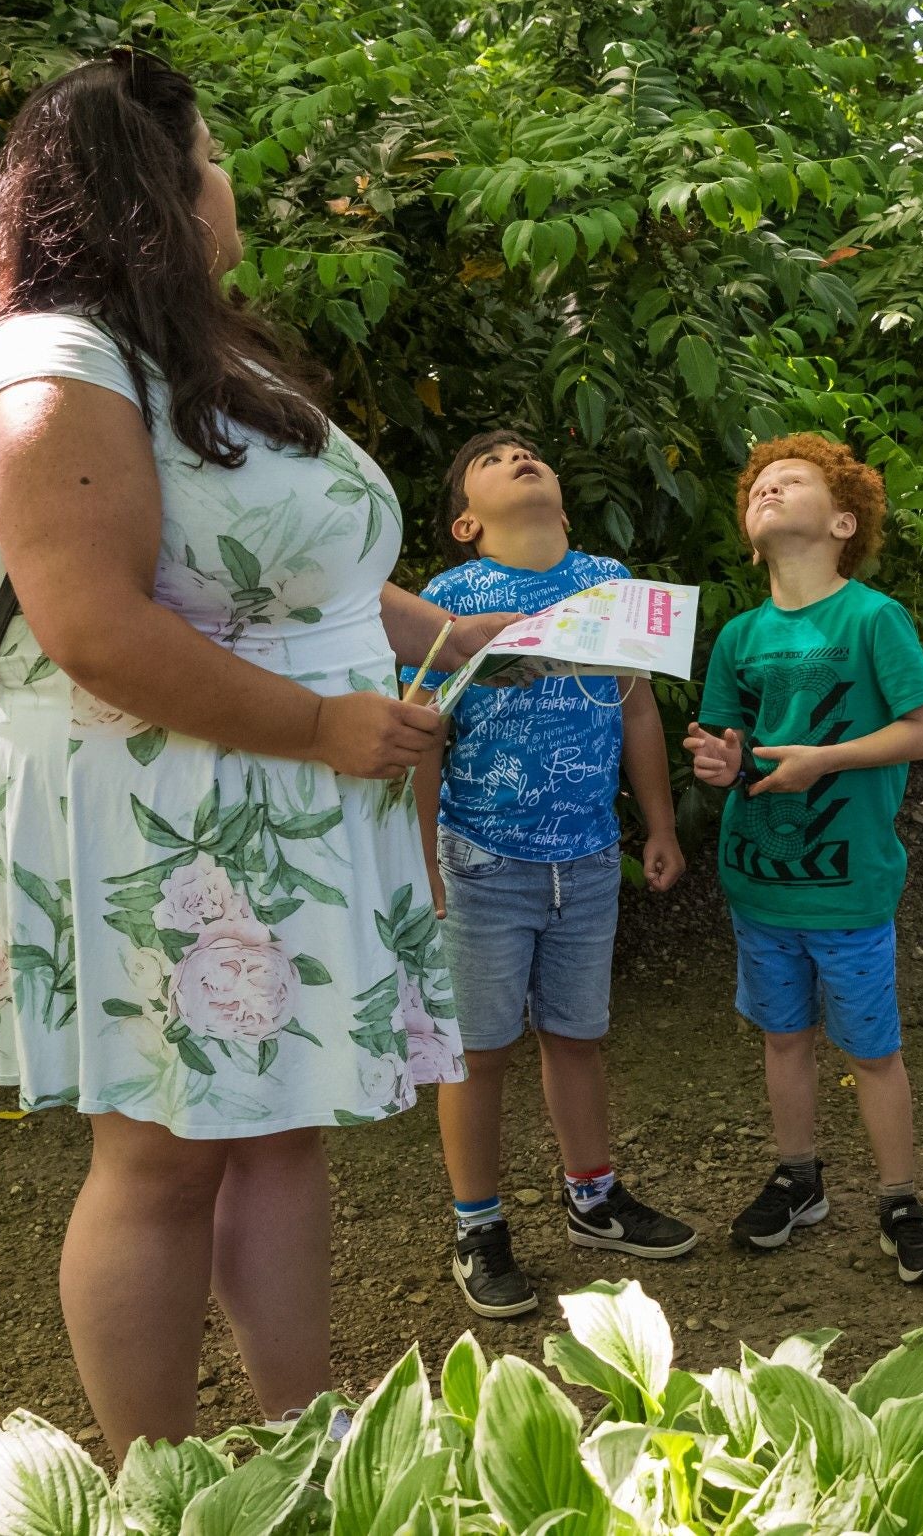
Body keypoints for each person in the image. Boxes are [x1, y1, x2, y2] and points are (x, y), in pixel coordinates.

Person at [0, 49, 515, 1453]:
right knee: (164, 1156)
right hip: (163, 808)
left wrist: (469, 634)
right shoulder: (46, 370)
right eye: (213, 154)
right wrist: (321, 722)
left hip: (281, 794)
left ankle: (303, 1446)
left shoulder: (198, 348)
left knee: (281, 1125)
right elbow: (97, 630)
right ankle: (155, 1485)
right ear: (155, 189)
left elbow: (296, 576)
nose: (234, 181)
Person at [408, 429, 697, 1319]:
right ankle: (479, 1225)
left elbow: (636, 704)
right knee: (478, 1052)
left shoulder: (610, 581)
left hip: (588, 855)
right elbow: (421, 733)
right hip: (481, 860)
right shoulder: (447, 600)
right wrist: (423, 864)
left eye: (530, 453)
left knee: (578, 1034)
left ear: (564, 502)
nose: (517, 459)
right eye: (490, 460)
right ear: (465, 522)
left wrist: (657, 824)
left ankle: (594, 1197)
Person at [682, 434, 923, 1284]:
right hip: (759, 883)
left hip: (851, 887)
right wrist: (723, 764)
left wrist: (823, 760)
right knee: (784, 1040)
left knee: (872, 1051)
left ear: (843, 521)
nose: (769, 489)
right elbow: (733, 746)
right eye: (759, 485)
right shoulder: (738, 635)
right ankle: (799, 1180)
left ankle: (901, 1201)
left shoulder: (874, 618)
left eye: (790, 481)